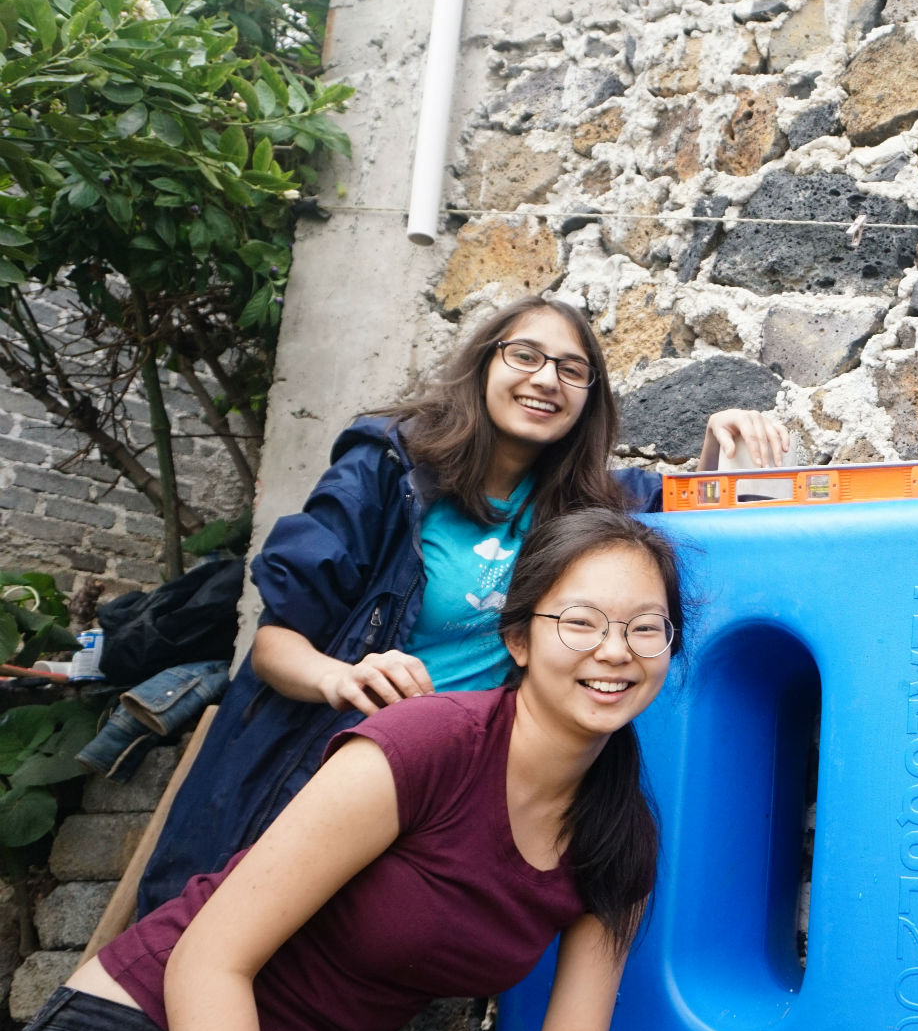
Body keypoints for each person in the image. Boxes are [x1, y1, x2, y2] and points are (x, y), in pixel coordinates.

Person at [0, 508, 682, 1031]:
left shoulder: (618, 839)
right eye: (581, 622)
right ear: (519, 640)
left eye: (644, 628)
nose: (615, 650)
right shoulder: (424, 747)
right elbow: (208, 962)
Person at [137, 296, 786, 914]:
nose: (547, 379)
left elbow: (679, 512)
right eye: (525, 355)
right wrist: (344, 677)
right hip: (330, 762)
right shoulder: (386, 472)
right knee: (219, 937)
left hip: (451, 793)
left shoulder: (577, 506)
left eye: (572, 369)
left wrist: (716, 450)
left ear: (588, 398)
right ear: (484, 364)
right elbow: (276, 647)